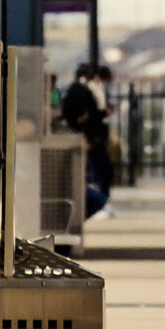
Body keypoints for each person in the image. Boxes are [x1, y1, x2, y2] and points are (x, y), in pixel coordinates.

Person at [60, 62, 113, 218]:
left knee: (95, 171)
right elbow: (90, 115)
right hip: (91, 137)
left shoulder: (80, 90)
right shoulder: (87, 91)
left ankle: (100, 202)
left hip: (90, 137)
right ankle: (101, 202)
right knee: (100, 171)